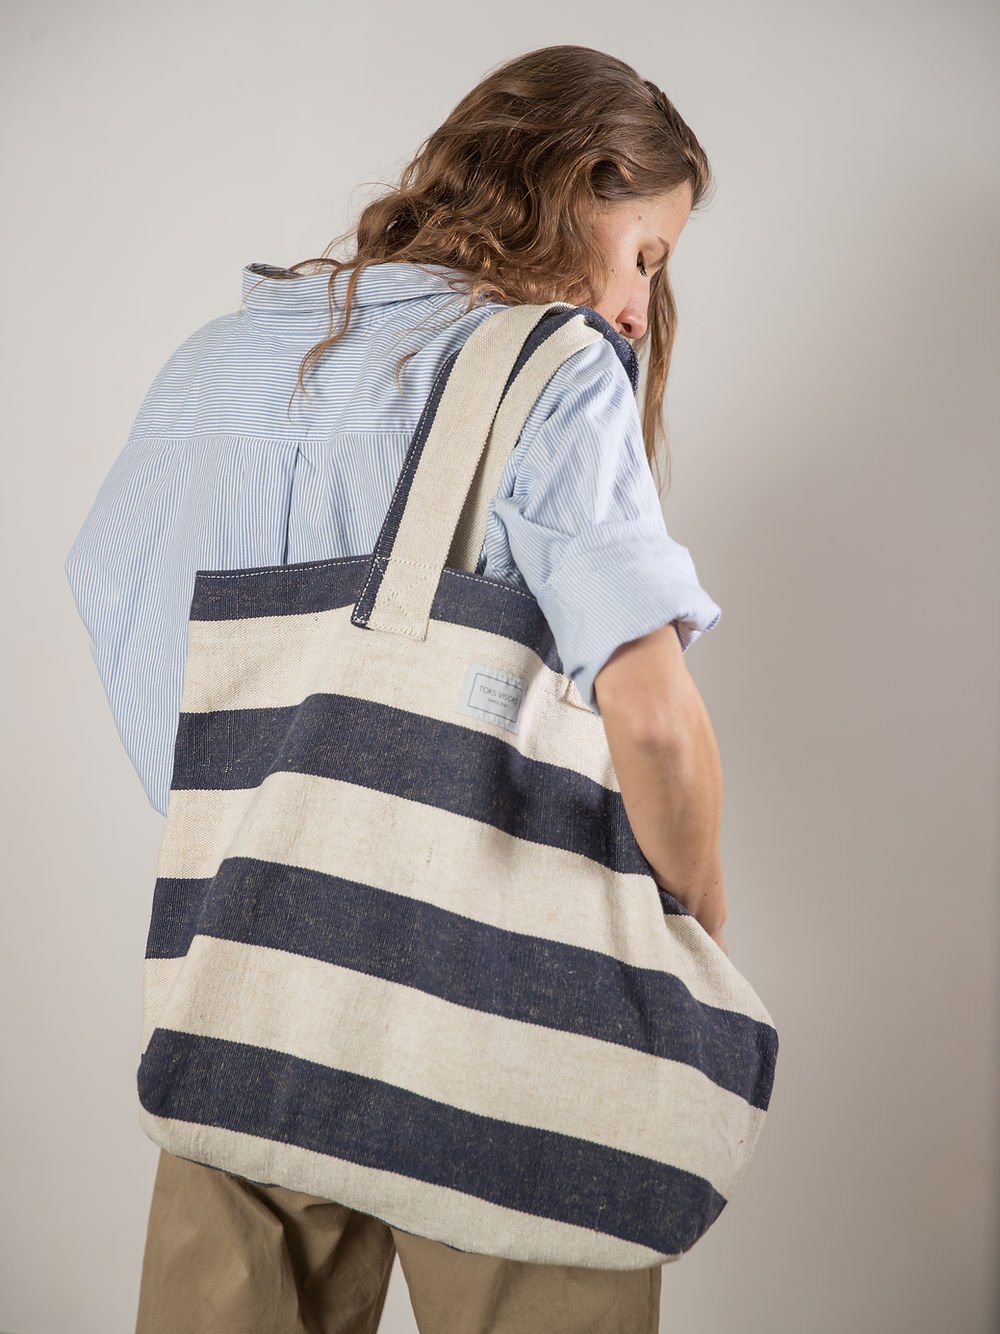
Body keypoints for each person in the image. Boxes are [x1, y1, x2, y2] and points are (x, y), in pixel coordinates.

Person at [65, 42, 729, 1334]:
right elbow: (652, 714)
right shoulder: (553, 367)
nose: (643, 305)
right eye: (645, 253)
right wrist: (687, 932)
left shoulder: (224, 358)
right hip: (504, 999)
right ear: (581, 182)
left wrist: (277, 817)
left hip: (244, 959)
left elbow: (122, 602)